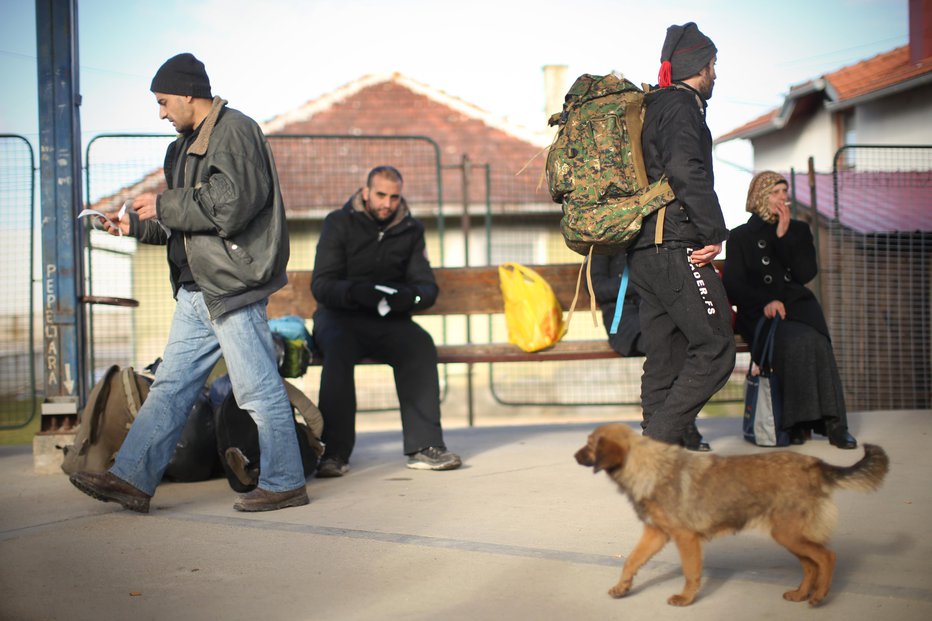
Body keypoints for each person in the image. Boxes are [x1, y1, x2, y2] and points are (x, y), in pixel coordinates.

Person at [69, 53, 310, 513]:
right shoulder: (180, 148)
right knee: (170, 389)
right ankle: (132, 479)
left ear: (186, 93)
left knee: (257, 391)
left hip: (230, 286)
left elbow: (231, 204)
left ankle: (285, 482)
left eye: (163, 102)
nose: (161, 113)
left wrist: (163, 204)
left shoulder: (234, 130)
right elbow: (185, 220)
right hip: (195, 291)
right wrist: (134, 227)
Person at [625, 22, 736, 451]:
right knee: (715, 347)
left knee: (666, 357)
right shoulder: (682, 106)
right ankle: (656, 442)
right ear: (700, 66)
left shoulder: (653, 106)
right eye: (713, 65)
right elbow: (686, 170)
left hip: (645, 252)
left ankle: (658, 462)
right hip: (675, 246)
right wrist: (714, 231)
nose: (715, 75)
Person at [310, 166, 462, 476]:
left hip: (389, 319)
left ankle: (425, 446)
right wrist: (355, 292)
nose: (387, 203)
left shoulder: (411, 229)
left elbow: (426, 286)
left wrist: (409, 297)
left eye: (394, 197)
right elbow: (322, 285)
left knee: (419, 344)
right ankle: (334, 453)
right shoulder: (338, 223)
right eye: (380, 195)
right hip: (340, 318)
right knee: (336, 352)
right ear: (365, 192)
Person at [723, 171, 857, 449]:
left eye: (785, 191)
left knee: (817, 341)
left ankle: (835, 425)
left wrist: (784, 237)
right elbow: (734, 285)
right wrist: (765, 303)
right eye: (776, 192)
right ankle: (795, 423)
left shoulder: (798, 230)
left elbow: (805, 273)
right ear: (760, 196)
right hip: (759, 312)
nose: (784, 197)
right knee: (795, 342)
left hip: (798, 306)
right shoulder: (740, 236)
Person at [589, 253, 643, 357]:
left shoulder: (648, 240)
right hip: (620, 316)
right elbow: (595, 287)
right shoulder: (602, 244)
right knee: (654, 341)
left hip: (651, 309)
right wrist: (638, 284)